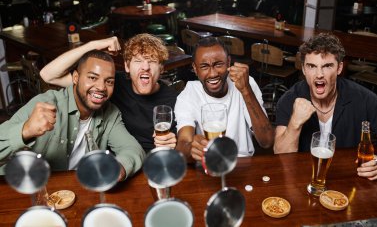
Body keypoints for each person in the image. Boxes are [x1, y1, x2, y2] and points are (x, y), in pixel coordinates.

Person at [0, 50, 145, 180]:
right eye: (92, 78)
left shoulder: (110, 113)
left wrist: (119, 168)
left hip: (75, 190)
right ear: (76, 77)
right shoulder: (47, 103)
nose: (101, 87)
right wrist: (25, 130)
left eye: (109, 81)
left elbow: (132, 149)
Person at [40, 34, 177, 152]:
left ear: (162, 68)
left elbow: (185, 143)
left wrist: (175, 144)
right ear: (127, 66)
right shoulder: (110, 83)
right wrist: (94, 45)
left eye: (152, 62)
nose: (145, 67)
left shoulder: (174, 100)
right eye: (138, 61)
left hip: (153, 164)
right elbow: (48, 75)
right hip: (116, 162)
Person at [274, 32, 377, 180]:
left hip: (349, 180)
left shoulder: (365, 99)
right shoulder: (289, 99)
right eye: (311, 66)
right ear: (304, 69)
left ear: (339, 68)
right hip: (304, 179)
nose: (319, 75)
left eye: (327, 66)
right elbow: (281, 157)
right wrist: (295, 123)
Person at [175, 37, 274, 162]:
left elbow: (267, 141)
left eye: (218, 64)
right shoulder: (188, 94)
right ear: (195, 68)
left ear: (228, 62)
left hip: (242, 162)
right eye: (204, 66)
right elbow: (183, 141)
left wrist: (246, 90)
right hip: (208, 164)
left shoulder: (246, 84)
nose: (213, 74)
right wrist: (191, 147)